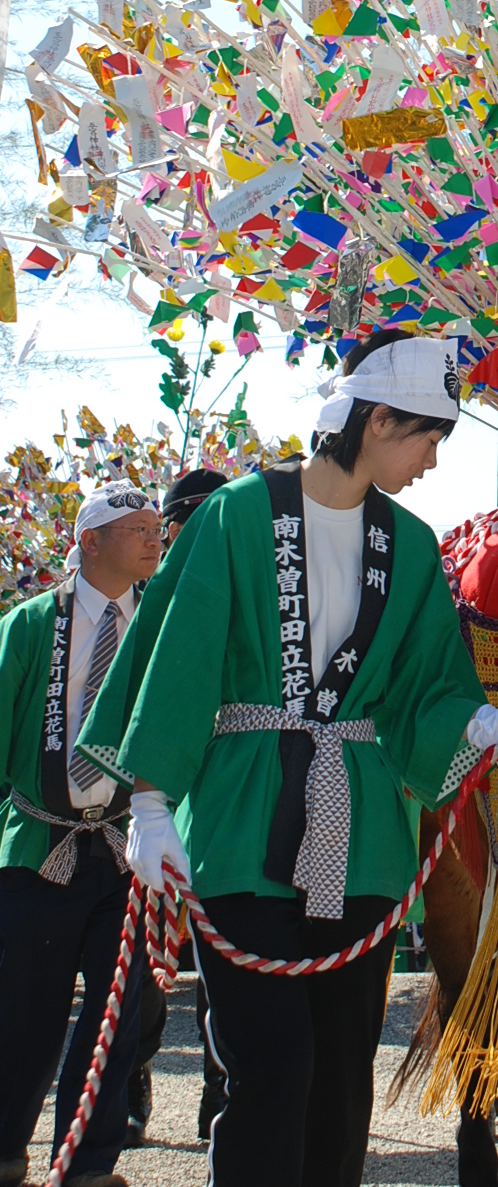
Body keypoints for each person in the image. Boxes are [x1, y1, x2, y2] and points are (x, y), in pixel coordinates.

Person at [77, 329, 498, 1187]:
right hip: (241, 823)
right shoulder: (232, 519)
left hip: (365, 830)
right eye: (428, 438)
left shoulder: (409, 545)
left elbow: (426, 681)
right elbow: (179, 658)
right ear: (376, 421)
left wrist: (478, 722)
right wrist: (149, 803)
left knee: (341, 1077)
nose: (434, 461)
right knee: (271, 1068)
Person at [0, 485, 162, 1187]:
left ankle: (90, 1166)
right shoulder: (32, 624)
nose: (155, 540)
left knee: (120, 1014)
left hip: (126, 848)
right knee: (23, 1014)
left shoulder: (158, 627)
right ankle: (6, 1151)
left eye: (159, 529)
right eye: (137, 529)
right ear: (90, 541)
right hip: (40, 847)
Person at [123, 466, 230, 1149]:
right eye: (184, 522)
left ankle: (223, 1100)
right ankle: (129, 1083)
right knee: (139, 968)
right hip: (136, 816)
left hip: (217, 813)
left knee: (225, 975)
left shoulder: (239, 598)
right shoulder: (135, 605)